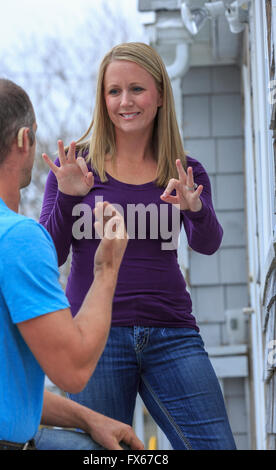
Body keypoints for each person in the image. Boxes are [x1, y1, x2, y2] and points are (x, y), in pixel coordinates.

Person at [40, 42, 237, 450]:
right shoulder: (74, 166)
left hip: (173, 334)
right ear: (102, 98)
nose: (125, 101)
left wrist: (195, 206)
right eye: (114, 91)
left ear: (160, 95)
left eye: (137, 89)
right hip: (94, 338)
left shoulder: (184, 170)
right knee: (100, 454)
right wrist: (69, 196)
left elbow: (208, 244)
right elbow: (49, 254)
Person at [0, 77, 144, 451]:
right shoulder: (15, 238)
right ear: (23, 140)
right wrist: (107, 267)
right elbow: (73, 369)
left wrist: (89, 417)